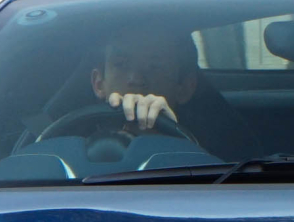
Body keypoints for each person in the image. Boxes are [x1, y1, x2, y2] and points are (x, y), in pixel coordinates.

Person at [92, 28, 264, 161]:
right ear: (98, 83)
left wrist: (169, 142)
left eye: (155, 67)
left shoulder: (213, 158)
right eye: (121, 65)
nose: (136, 79)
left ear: (185, 88)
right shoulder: (68, 141)